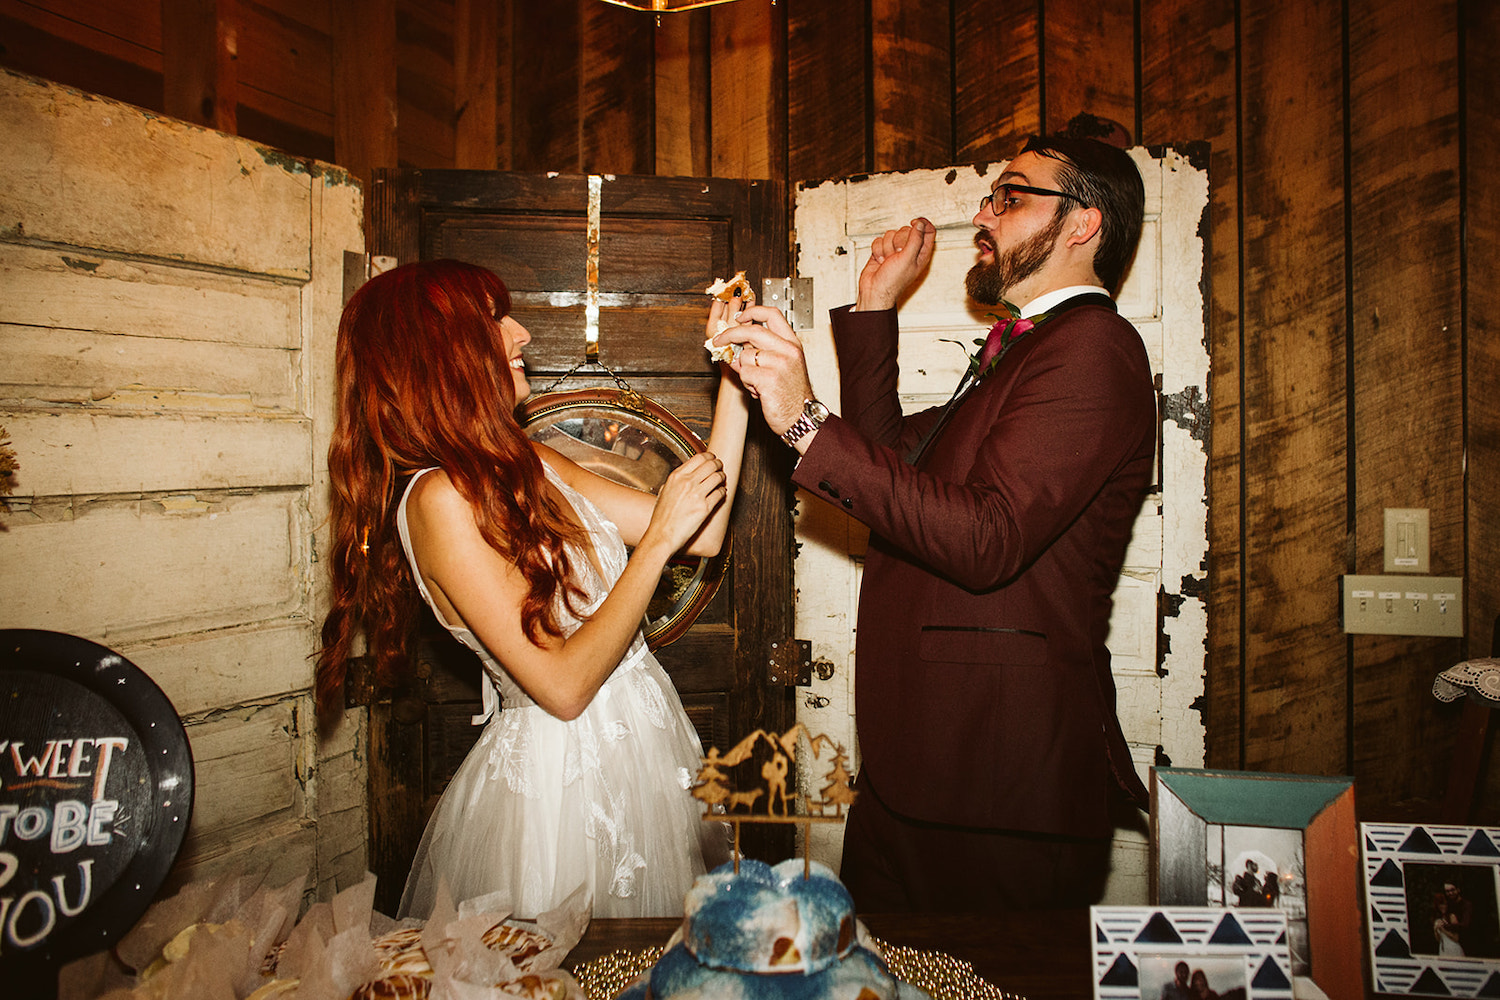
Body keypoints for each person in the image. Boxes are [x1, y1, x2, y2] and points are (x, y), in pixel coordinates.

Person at [713, 121, 1154, 911]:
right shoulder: (1018, 352)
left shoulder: (1092, 348)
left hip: (995, 781)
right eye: (990, 197)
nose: (983, 216)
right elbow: (886, 463)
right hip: (923, 767)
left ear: (1083, 222)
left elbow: (985, 540)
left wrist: (802, 419)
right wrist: (874, 306)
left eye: (1011, 198)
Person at [316, 259, 750, 919]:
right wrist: (657, 541)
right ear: (441, 352)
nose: (520, 334)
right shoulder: (438, 501)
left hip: (645, 755)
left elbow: (704, 533)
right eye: (494, 321)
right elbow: (564, 687)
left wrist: (736, 376)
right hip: (562, 795)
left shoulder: (527, 461)